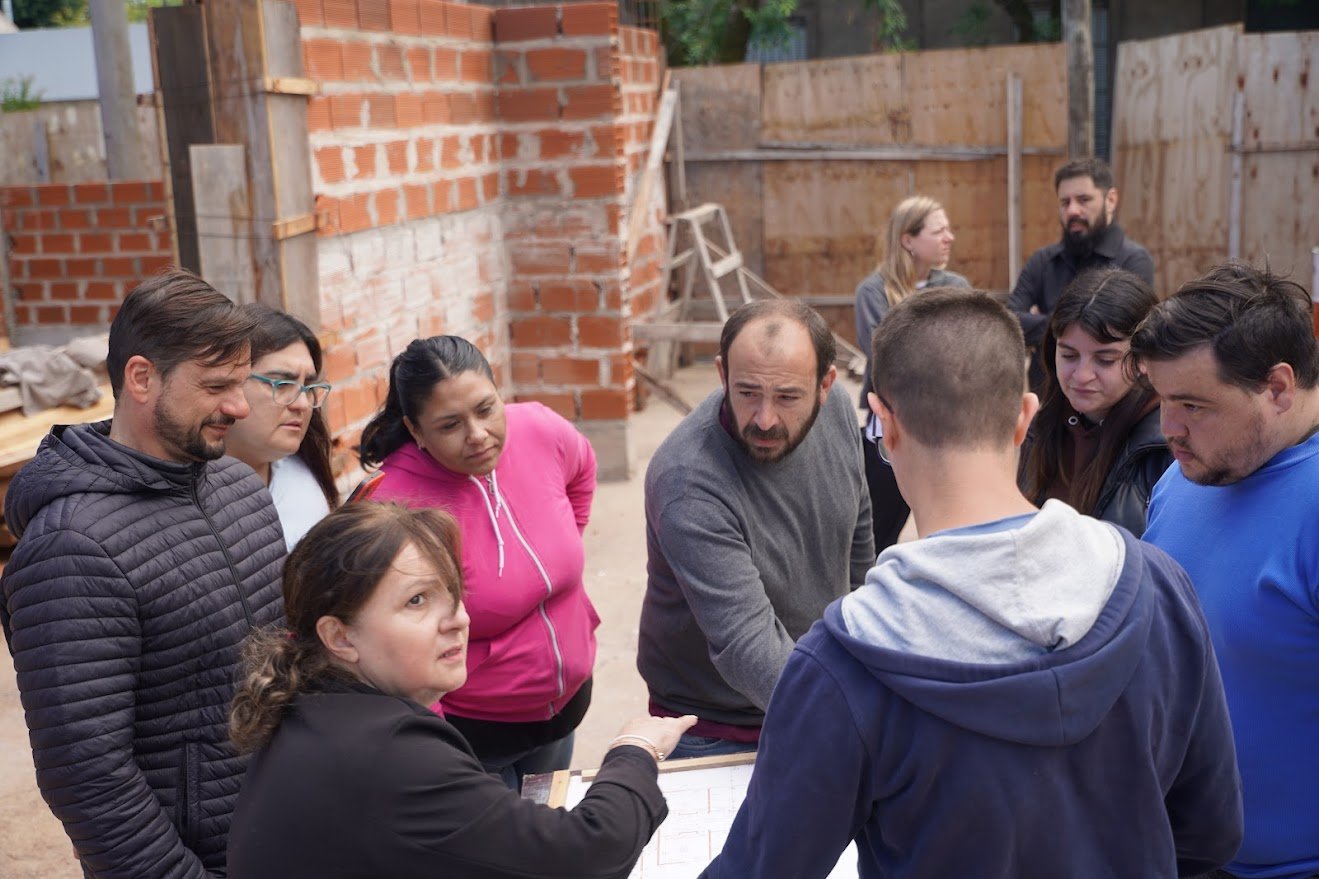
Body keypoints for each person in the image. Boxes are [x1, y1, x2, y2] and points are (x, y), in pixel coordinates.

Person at [702, 288, 1242, 879]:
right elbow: (1210, 831)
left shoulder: (844, 661)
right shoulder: (1158, 586)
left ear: (885, 424)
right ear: (1024, 417)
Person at [227, 501, 694, 878]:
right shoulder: (389, 753)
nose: (458, 619)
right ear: (340, 637)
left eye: (452, 595)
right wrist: (636, 751)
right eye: (417, 601)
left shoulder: (316, 710)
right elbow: (587, 854)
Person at [0, 269, 286, 877]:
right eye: (216, 386)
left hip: (287, 836)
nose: (239, 407)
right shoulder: (70, 548)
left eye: (241, 383)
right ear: (141, 378)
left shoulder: (241, 486)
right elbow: (87, 775)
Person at [1134, 262, 1319, 879]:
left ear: (1278, 387)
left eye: (1193, 404)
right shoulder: (1184, 477)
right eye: (1163, 400)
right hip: (1183, 853)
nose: (1169, 428)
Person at [355, 336, 597, 789]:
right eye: (450, 425)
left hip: (563, 715)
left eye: (486, 409)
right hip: (475, 739)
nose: (478, 435)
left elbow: (582, 468)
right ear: (415, 430)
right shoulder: (393, 508)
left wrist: (565, 543)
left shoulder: (539, 429)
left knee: (550, 821)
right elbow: (383, 642)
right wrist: (435, 741)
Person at [638, 299, 874, 760]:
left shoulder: (838, 411)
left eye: (787, 397)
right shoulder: (688, 481)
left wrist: (866, 656)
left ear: (825, 385)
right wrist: (855, 722)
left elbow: (859, 535)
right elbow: (747, 646)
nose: (765, 419)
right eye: (747, 392)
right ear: (722, 374)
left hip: (821, 689)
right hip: (717, 726)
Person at [854, 195, 969, 550]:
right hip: (888, 430)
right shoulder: (873, 292)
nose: (949, 237)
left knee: (947, 532)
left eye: (949, 229)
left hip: (946, 429)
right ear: (908, 240)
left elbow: (966, 351)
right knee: (878, 534)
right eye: (938, 231)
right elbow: (886, 359)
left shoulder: (956, 287)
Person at [1019, 268, 1171, 535]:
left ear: (1143, 359)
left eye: (1105, 360)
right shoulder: (1038, 429)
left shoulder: (1167, 446)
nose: (1082, 376)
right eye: (1069, 356)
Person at [1008, 157, 1154, 389]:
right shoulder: (1043, 260)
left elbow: (1128, 333)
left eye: (1084, 200)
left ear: (1110, 200)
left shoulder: (1133, 260)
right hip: (1048, 395)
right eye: (1065, 202)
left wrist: (1041, 322)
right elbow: (1010, 320)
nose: (1073, 210)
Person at [225, 304, 338, 549]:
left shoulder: (303, 479)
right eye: (281, 384)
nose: (302, 404)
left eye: (308, 386)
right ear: (228, 383)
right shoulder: (184, 502)